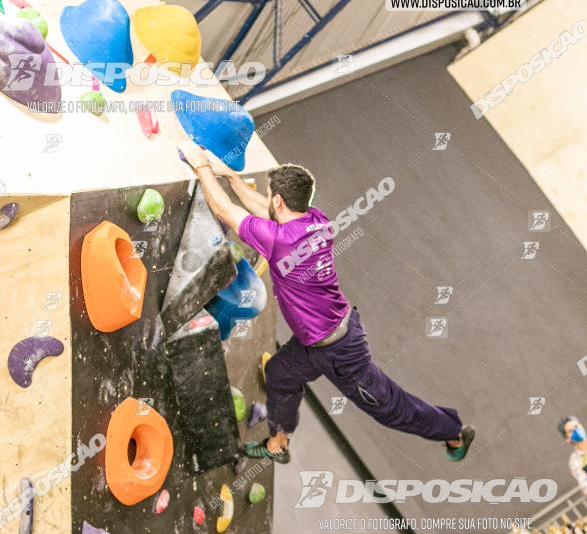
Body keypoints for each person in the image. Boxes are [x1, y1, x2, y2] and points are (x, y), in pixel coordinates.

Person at [179, 143, 475, 465]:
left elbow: (226, 211)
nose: (267, 201)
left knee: (389, 407)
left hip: (341, 351)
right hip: (317, 340)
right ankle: (279, 443)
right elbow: (265, 213)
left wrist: (202, 168)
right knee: (280, 374)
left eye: (269, 195)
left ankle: (453, 430)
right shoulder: (316, 220)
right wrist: (233, 178)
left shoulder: (279, 239)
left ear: (278, 200)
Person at [558, 416, 587, 494]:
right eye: (571, 431)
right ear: (567, 438)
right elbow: (585, 485)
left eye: (576, 426)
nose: (576, 430)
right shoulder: (575, 461)